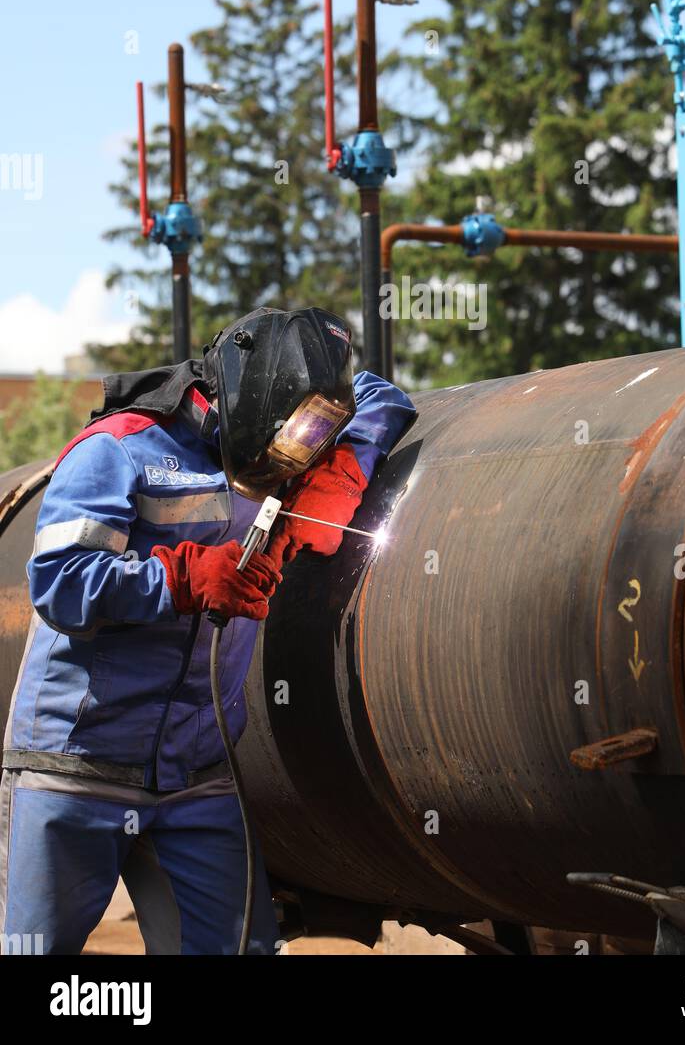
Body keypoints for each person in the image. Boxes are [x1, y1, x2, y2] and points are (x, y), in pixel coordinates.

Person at [0, 306, 414, 955]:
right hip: (76, 766)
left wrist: (341, 464)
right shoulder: (119, 448)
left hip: (194, 770)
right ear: (247, 394)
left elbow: (379, 398)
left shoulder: (285, 443)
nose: (296, 458)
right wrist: (187, 577)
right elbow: (60, 582)